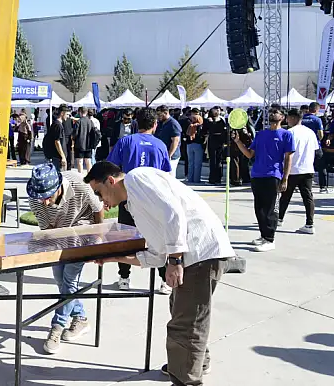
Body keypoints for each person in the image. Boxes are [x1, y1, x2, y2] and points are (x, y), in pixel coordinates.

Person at [84, 162, 235, 386]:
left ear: (111, 181)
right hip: (196, 255)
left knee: (185, 324)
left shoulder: (137, 178)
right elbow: (155, 256)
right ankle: (195, 363)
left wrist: (175, 260)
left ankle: (186, 378)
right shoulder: (134, 203)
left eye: (99, 193)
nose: (101, 201)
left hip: (200, 252)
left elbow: (172, 213)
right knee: (184, 312)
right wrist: (114, 258)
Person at [26, 164, 104, 355]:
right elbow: (48, 230)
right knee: (61, 280)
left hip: (82, 230)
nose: (44, 202)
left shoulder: (79, 184)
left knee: (69, 281)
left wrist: (98, 237)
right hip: (59, 235)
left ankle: (57, 327)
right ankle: (81, 318)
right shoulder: (36, 198)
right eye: (40, 198)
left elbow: (98, 208)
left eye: (48, 196)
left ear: (59, 186)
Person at [107, 107, 172, 294]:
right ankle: (165, 280)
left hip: (129, 197)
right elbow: (166, 174)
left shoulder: (126, 141)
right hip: (153, 200)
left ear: (136, 123)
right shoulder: (160, 145)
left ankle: (124, 278)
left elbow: (111, 167)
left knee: (126, 238)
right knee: (157, 239)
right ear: (155, 124)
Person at [233, 107, 294, 252]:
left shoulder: (286, 135)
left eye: (276, 112)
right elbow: (249, 154)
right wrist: (238, 141)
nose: (272, 114)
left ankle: (270, 239)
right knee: (259, 208)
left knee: (270, 209)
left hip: (273, 175)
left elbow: (288, 158)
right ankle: (263, 235)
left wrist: (285, 178)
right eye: (271, 112)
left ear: (282, 117)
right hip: (257, 174)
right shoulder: (261, 134)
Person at [278, 109, 319, 235]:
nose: (287, 120)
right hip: (307, 168)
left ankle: (279, 218)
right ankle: (310, 223)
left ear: (293, 118)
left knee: (285, 196)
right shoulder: (310, 132)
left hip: (292, 169)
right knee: (308, 197)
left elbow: (283, 152)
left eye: (288, 118)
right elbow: (316, 149)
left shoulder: (289, 133)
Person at [301, 102, 327, 193]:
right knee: (321, 166)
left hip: (302, 146)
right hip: (315, 146)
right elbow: (320, 134)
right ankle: (323, 186)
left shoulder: (301, 119)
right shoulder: (317, 120)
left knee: (303, 165)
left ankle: (301, 185)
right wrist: (318, 140)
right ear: (316, 110)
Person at [155, 105, 182, 178]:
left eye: (159, 114)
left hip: (171, 156)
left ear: (166, 113)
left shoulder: (173, 124)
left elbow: (175, 141)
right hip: (162, 154)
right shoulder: (161, 123)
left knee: (169, 177)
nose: (158, 117)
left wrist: (169, 155)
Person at [202, 107, 226, 185]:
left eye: (218, 110)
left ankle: (217, 178)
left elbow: (224, 130)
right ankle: (213, 178)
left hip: (218, 141)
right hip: (213, 141)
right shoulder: (210, 120)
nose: (217, 112)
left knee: (218, 160)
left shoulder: (221, 120)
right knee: (214, 160)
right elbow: (204, 131)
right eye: (216, 110)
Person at [42, 105, 70, 171]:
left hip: (57, 156)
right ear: (62, 113)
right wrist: (63, 156)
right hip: (57, 157)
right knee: (59, 174)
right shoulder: (58, 125)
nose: (68, 116)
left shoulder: (57, 124)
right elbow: (57, 142)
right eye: (67, 114)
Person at [228, 116, 254, 186]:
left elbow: (250, 135)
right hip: (240, 146)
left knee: (239, 162)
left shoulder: (236, 125)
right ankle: (240, 179)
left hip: (240, 145)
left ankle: (238, 179)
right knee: (239, 162)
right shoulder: (241, 125)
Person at [186, 109, 205, 184]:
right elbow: (202, 135)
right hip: (198, 144)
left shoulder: (189, 124)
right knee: (197, 163)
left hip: (189, 144)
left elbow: (186, 134)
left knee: (190, 163)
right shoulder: (200, 126)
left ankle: (190, 178)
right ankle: (196, 179)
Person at [74, 107, 94, 173]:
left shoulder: (78, 121)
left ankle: (80, 175)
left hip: (79, 144)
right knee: (88, 161)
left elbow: (75, 133)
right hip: (88, 144)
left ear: (80, 112)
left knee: (80, 161)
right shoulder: (90, 121)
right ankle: (89, 175)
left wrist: (73, 138)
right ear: (86, 112)